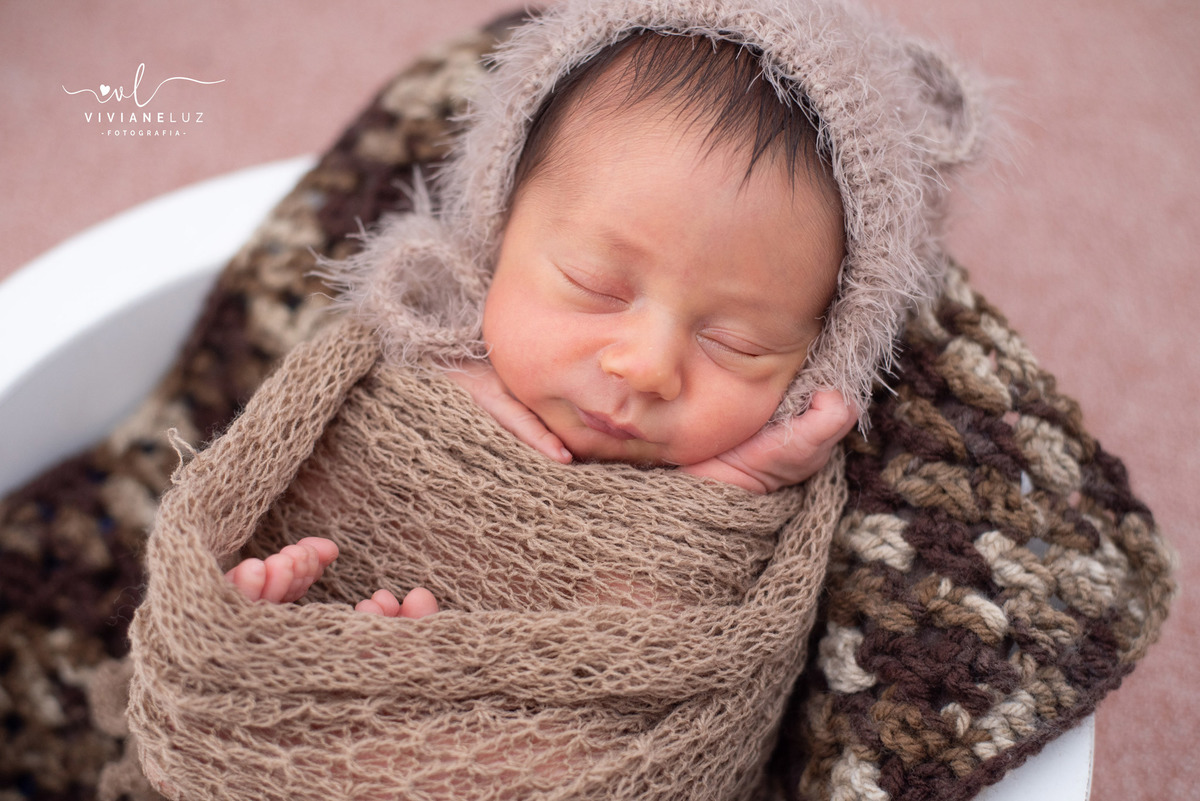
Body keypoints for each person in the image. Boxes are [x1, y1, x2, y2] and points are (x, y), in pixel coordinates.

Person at [223, 30, 858, 617]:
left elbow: (639, 648)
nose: (646, 368)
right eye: (597, 287)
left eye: (735, 344)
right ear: (496, 238)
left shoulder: (756, 473)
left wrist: (739, 483)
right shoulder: (408, 365)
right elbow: (294, 478)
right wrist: (445, 386)